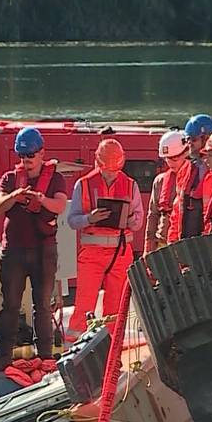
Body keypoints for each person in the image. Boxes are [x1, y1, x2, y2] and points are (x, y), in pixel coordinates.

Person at [0, 127, 68, 372]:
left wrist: (40, 199)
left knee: (42, 304)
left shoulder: (55, 179)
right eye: (22, 156)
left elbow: (60, 205)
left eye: (30, 155)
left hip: (44, 249)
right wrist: (17, 195)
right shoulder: (9, 179)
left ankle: (45, 356)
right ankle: (3, 356)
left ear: (42, 153)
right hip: (15, 251)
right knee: (10, 304)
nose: (26, 160)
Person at [65, 138, 144, 343]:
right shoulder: (83, 185)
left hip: (120, 254)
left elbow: (138, 221)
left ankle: (110, 352)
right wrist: (89, 218)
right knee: (84, 305)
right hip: (92, 255)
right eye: (107, 170)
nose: (111, 174)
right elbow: (72, 221)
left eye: (115, 170)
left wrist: (128, 220)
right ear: (98, 164)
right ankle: (74, 350)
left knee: (116, 308)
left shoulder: (130, 185)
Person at [166, 113, 212, 243]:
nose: (189, 144)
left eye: (193, 140)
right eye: (187, 140)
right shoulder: (186, 169)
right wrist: (172, 243)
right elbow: (177, 212)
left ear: (206, 139)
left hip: (211, 244)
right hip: (188, 243)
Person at [144, 129, 188, 255]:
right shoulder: (160, 181)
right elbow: (152, 216)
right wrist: (148, 250)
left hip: (185, 245)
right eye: (167, 159)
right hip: (162, 245)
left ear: (186, 153)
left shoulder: (195, 179)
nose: (170, 163)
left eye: (174, 158)